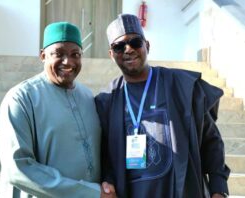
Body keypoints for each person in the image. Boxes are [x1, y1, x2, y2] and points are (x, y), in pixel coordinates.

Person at [95, 14, 230, 198]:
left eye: (135, 42)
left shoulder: (182, 85)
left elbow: (211, 141)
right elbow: (104, 156)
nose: (128, 49)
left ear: (147, 46)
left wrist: (218, 188)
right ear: (111, 55)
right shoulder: (107, 100)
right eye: (119, 46)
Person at [0, 21, 102, 198]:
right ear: (43, 55)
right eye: (58, 54)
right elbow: (17, 167)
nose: (68, 61)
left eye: (75, 54)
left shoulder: (87, 96)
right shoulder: (21, 98)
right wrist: (89, 193)